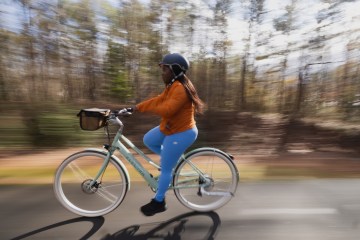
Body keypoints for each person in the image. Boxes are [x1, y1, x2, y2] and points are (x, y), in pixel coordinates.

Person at [131, 53, 204, 216]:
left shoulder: (180, 89)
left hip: (182, 132)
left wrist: (148, 109)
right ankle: (171, 160)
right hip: (171, 128)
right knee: (148, 140)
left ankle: (159, 201)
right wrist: (136, 108)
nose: (162, 72)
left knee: (165, 169)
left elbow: (167, 109)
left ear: (174, 70)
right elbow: (158, 100)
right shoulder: (172, 86)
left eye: (164, 69)